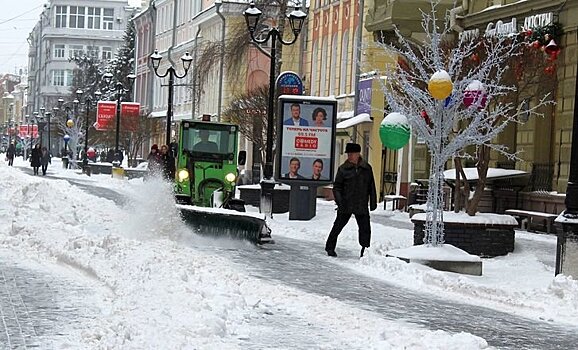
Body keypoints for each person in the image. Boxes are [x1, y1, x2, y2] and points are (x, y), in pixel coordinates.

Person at [325, 143, 377, 258]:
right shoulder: (343, 169)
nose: (349, 156)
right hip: (346, 203)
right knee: (338, 226)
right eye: (348, 154)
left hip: (361, 203)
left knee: (365, 228)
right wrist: (340, 202)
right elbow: (337, 187)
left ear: (358, 154)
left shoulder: (366, 168)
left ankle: (365, 250)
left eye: (352, 154)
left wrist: (373, 202)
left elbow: (371, 186)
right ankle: (330, 247)